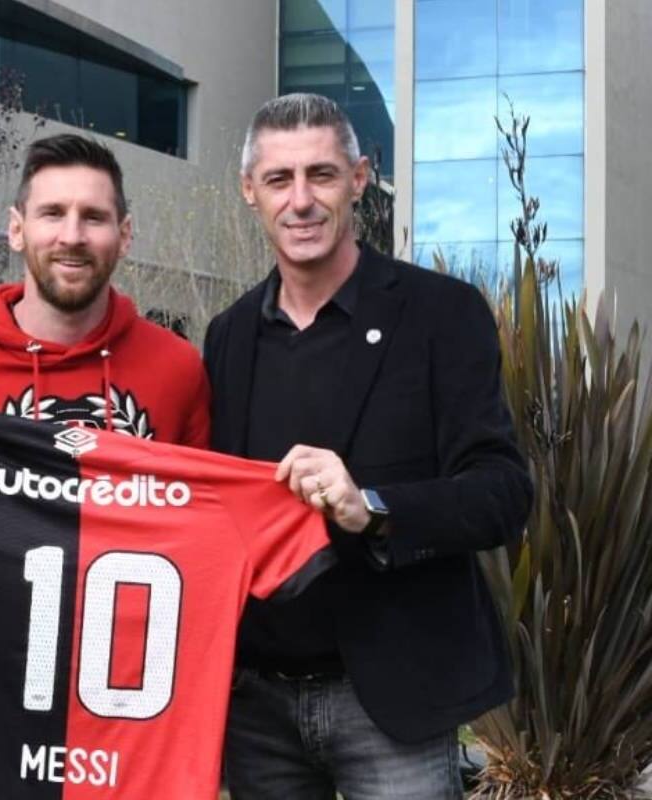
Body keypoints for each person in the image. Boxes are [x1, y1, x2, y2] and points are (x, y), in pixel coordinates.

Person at [204, 93, 532, 798]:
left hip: (393, 700)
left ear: (359, 178)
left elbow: (503, 493)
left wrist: (372, 507)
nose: (301, 201)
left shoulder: (442, 314)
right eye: (279, 180)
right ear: (248, 192)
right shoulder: (228, 336)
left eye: (321, 175)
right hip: (257, 703)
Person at [0, 133, 209, 448]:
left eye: (93, 217)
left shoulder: (178, 369)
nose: (72, 236)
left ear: (124, 235)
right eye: (52, 213)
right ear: (16, 229)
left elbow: (207, 503)